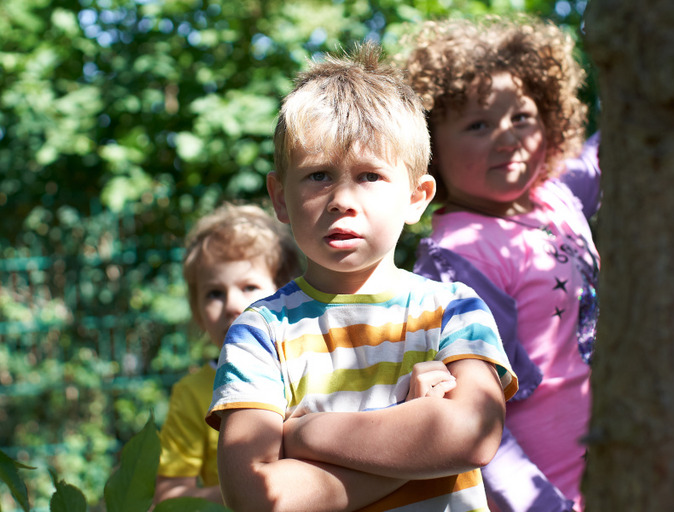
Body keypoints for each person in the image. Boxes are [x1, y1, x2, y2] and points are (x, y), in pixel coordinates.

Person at [205, 42, 519, 512]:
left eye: (370, 176)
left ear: (418, 196)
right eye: (318, 176)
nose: (341, 199)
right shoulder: (260, 332)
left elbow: (471, 435)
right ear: (280, 198)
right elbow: (257, 497)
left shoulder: (454, 309)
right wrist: (415, 437)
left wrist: (305, 433)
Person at [402, 15, 600, 512]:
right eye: (478, 124)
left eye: (522, 117)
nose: (507, 136)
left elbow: (610, 151)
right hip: (546, 489)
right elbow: (472, 415)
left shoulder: (553, 195)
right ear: (431, 150)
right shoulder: (461, 257)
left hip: (615, 463)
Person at [153, 202, 302, 506]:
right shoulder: (192, 393)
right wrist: (247, 493)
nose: (233, 305)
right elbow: (168, 498)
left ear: (285, 292)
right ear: (197, 310)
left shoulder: (310, 366)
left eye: (249, 287)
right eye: (214, 293)